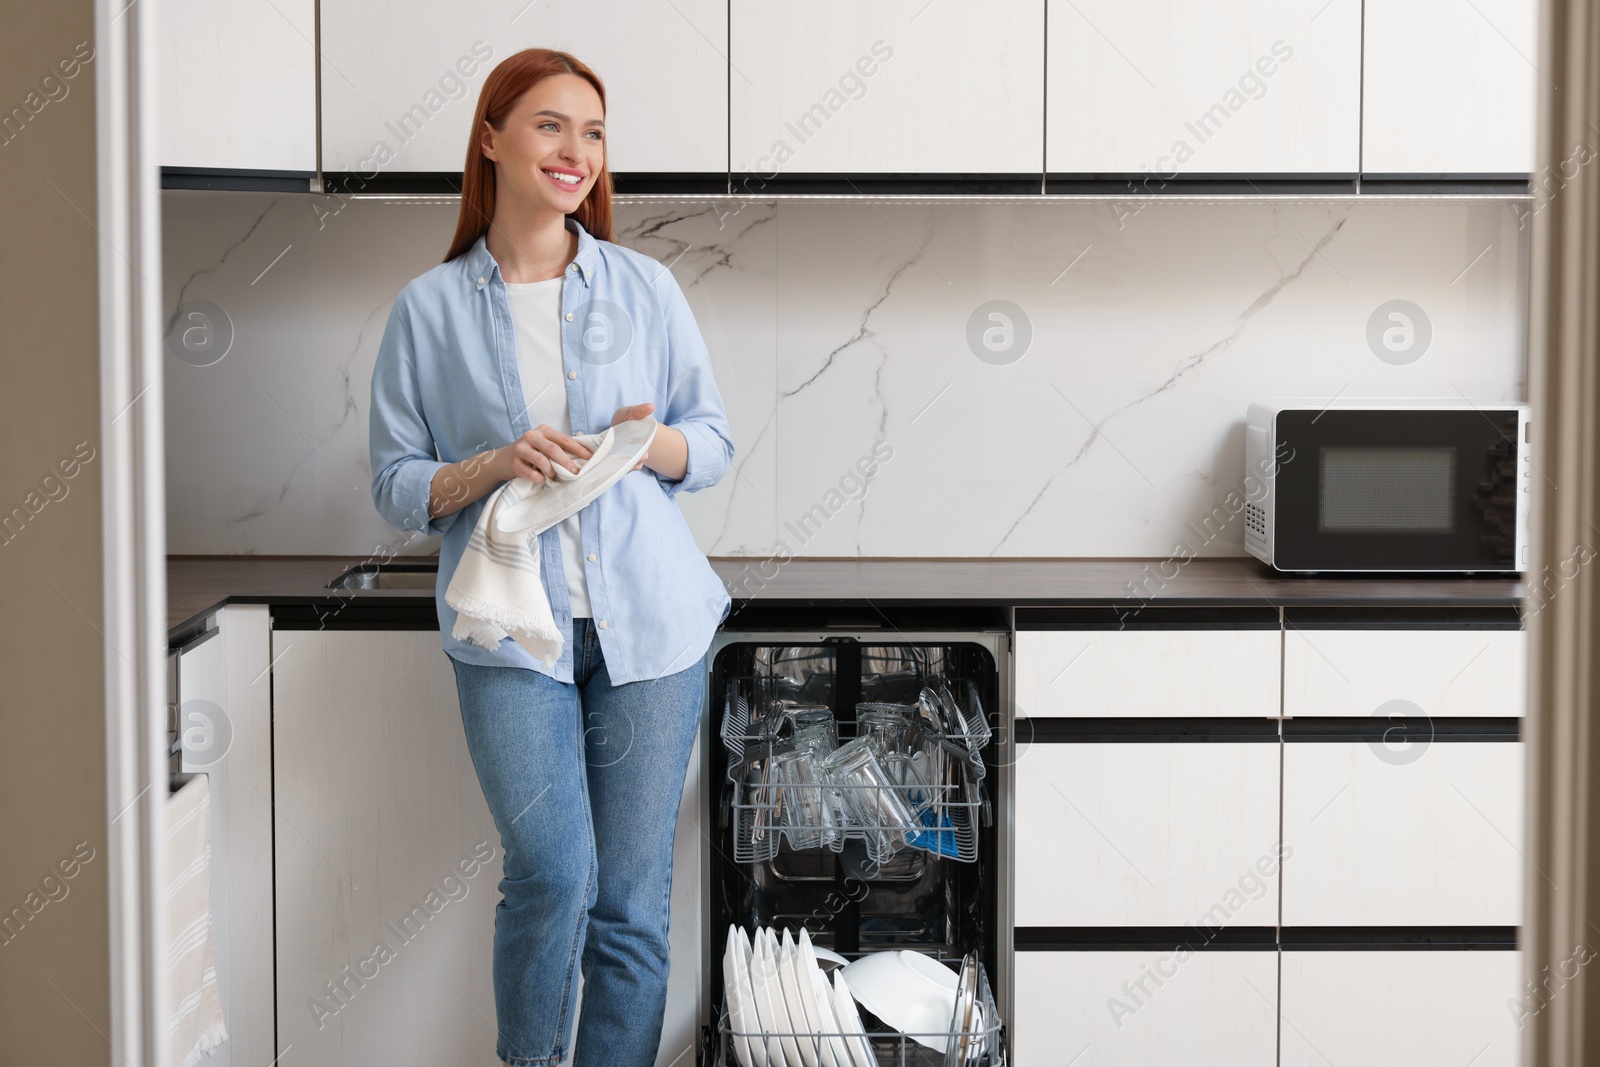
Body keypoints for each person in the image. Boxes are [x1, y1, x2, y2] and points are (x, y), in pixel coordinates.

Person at [368, 47, 734, 1067]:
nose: (575, 151)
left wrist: (640, 442)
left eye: (593, 132)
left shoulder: (644, 287)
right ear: (490, 138)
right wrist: (491, 461)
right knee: (553, 872)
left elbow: (709, 444)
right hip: (510, 631)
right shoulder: (428, 308)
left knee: (628, 899)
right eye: (548, 125)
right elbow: (396, 484)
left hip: (650, 627)